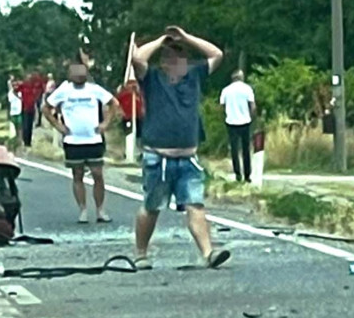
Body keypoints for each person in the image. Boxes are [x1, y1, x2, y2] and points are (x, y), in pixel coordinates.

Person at [130, 25, 231, 270]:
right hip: (158, 157)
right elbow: (138, 58)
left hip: (188, 157)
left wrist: (186, 37)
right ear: (164, 62)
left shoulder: (195, 74)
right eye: (172, 58)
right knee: (152, 207)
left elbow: (216, 54)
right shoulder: (152, 78)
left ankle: (208, 253)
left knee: (195, 205)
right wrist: (161, 40)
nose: (178, 62)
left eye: (181, 57)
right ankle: (141, 253)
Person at [45, 62, 119, 223]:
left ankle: (100, 210)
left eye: (82, 73)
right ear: (70, 75)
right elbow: (46, 108)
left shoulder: (94, 89)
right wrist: (58, 126)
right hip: (73, 140)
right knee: (77, 175)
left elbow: (114, 103)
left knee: (97, 174)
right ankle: (83, 210)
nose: (79, 76)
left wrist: (106, 123)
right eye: (76, 73)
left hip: (93, 139)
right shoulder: (64, 91)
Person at [220, 69, 256, 183]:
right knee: (246, 149)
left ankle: (237, 174)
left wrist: (225, 116)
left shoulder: (226, 90)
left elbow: (221, 106)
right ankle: (247, 175)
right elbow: (253, 106)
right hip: (245, 121)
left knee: (234, 150)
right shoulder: (247, 89)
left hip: (231, 122)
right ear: (241, 77)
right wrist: (251, 117)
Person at [18, 73, 40, 148]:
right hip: (25, 107)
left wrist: (36, 98)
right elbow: (15, 90)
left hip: (32, 108)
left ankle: (29, 141)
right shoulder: (23, 86)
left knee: (30, 125)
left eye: (30, 79)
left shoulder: (33, 86)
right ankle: (25, 140)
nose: (29, 80)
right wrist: (19, 98)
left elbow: (39, 90)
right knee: (25, 125)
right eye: (28, 78)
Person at [8, 83, 23, 149]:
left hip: (19, 112)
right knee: (15, 127)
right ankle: (16, 140)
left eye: (16, 85)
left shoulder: (20, 92)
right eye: (14, 86)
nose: (15, 87)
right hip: (13, 112)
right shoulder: (10, 93)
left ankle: (20, 140)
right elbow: (10, 101)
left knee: (20, 127)